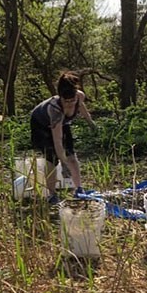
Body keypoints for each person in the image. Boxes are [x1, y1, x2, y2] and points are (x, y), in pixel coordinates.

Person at [30, 71, 95, 205]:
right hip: (41, 124)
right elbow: (58, 141)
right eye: (66, 102)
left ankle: (79, 188)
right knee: (52, 158)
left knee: (71, 155)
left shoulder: (79, 96)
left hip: (63, 123)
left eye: (72, 101)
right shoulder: (55, 110)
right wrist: (63, 163)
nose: (70, 104)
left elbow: (81, 107)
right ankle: (52, 194)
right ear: (61, 98)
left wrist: (90, 122)